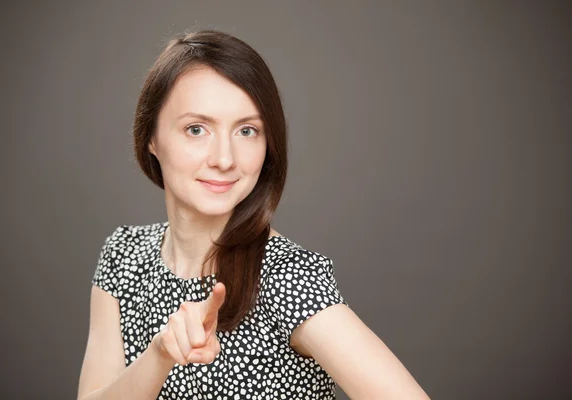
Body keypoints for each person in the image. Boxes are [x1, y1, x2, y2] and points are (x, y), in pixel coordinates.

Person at [77, 29, 430, 400]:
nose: (225, 159)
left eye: (247, 131)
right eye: (196, 129)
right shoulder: (123, 255)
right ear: (151, 138)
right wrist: (160, 355)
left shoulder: (287, 277)